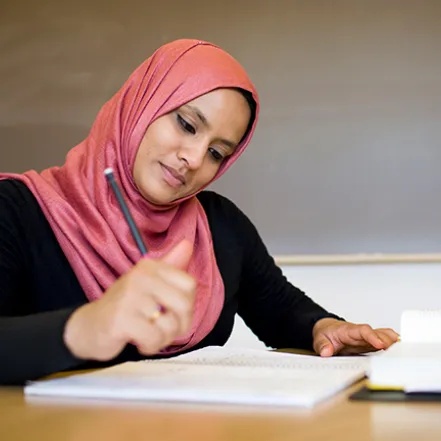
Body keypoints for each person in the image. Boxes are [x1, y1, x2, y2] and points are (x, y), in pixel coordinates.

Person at [0, 39, 398, 386]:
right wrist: (86, 328)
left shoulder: (219, 224)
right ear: (140, 105)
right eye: (187, 125)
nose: (192, 159)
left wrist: (323, 327)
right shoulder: (15, 210)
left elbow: (280, 307)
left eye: (216, 153)